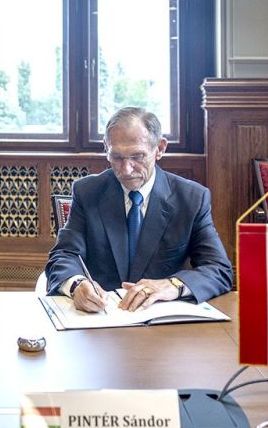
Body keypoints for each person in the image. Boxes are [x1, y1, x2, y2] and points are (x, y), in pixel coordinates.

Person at [46, 107, 232, 312]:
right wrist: (76, 285)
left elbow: (218, 270)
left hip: (162, 320)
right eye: (117, 157)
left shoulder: (191, 199)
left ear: (160, 148)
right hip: (101, 316)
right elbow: (64, 255)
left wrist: (173, 285)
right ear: (106, 147)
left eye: (137, 156)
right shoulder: (88, 191)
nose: (126, 170)